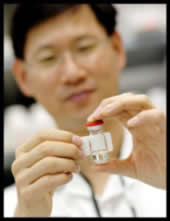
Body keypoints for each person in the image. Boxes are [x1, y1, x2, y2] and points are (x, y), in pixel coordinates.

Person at [4, 4, 166, 217]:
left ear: (117, 48)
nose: (72, 73)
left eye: (85, 47)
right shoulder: (15, 207)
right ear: (23, 77)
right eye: (48, 58)